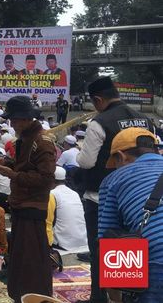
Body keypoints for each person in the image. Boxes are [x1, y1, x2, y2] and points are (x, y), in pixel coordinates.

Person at [75, 77, 153, 303]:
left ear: (98, 99)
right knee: (129, 249)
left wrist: (80, 153)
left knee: (100, 250)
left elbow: (87, 162)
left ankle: (98, 299)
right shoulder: (145, 119)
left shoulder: (100, 122)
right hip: (139, 196)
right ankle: (131, 296)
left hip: (102, 197)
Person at [0, 95, 55, 300]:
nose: (11, 124)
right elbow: (25, 166)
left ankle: (35, 295)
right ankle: (21, 294)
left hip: (32, 205)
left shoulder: (41, 142)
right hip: (21, 202)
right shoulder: (26, 138)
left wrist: (12, 174)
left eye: (14, 120)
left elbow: (45, 179)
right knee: (21, 256)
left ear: (26, 118)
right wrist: (8, 162)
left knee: (32, 258)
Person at [98, 128, 163, 301]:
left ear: (121, 156)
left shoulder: (114, 179)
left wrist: (115, 297)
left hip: (157, 260)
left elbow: (109, 240)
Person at [50, 167, 87, 253]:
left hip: (63, 245)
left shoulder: (52, 194)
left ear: (51, 179)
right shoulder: (74, 193)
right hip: (82, 242)